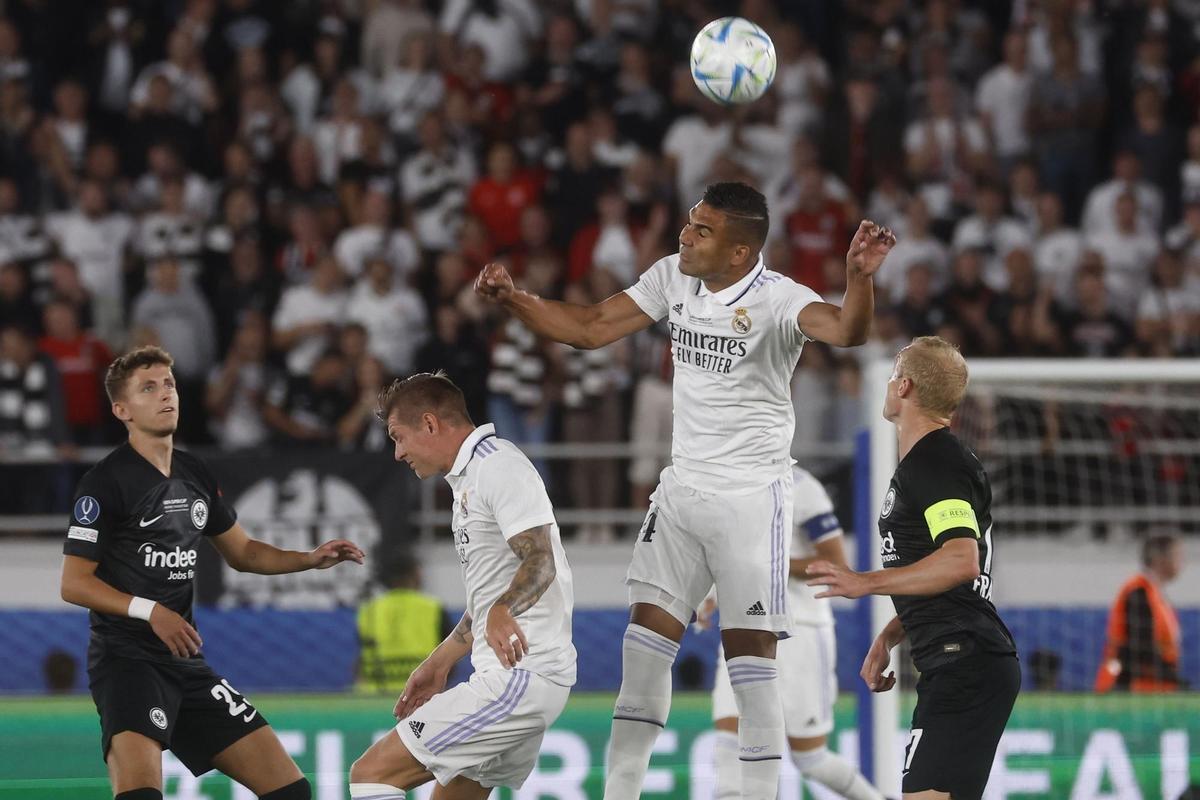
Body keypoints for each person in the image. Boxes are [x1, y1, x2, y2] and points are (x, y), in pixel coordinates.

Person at [476, 181, 896, 800]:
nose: (685, 235)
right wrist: (513, 300)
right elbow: (591, 327)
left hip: (752, 503)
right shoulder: (673, 277)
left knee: (751, 671)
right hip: (679, 497)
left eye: (702, 230)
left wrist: (858, 277)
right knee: (641, 654)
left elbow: (846, 331)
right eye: (689, 223)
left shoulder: (779, 300)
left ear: (739, 252)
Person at [59, 346, 365, 800]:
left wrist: (308, 558)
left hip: (185, 664)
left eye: (169, 384)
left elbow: (243, 553)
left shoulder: (194, 472)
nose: (166, 394)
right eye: (149, 387)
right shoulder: (105, 482)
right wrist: (151, 612)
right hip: (127, 663)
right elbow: (73, 583)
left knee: (292, 792)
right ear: (121, 410)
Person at [807, 336, 1019, 800]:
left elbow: (962, 560)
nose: (886, 384)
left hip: (965, 660)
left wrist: (866, 582)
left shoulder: (935, 463)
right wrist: (889, 636)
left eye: (891, 375)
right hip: (959, 658)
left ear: (903, 386)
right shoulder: (938, 462)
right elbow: (941, 568)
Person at [349, 372, 576, 800]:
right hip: (517, 678)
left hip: (519, 679)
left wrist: (505, 609)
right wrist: (442, 659)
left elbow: (541, 559)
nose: (397, 453)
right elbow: (493, 593)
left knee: (372, 774)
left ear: (431, 424)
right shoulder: (471, 479)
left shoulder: (498, 466)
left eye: (399, 437)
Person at [699, 466, 884, 800]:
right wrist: (709, 593)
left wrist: (768, 564)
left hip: (801, 632)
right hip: (744, 624)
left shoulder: (802, 488)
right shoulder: (725, 483)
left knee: (810, 759)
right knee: (729, 743)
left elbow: (836, 563)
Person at [1095, 533, 1186, 692]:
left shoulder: (1155, 595)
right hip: (1132, 687)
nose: (1182, 563)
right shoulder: (1139, 592)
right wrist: (1171, 677)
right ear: (1160, 559)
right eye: (1178, 556)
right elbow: (1138, 648)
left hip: (1152, 686)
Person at [356, 551, 449, 694]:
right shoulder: (433, 607)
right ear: (415, 573)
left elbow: (361, 660)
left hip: (373, 697)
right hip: (420, 696)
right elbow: (450, 657)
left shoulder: (368, 610)